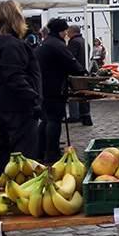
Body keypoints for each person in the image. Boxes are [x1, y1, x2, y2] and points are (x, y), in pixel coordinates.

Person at [0, 0, 41, 176]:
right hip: (17, 103)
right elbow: (15, 76)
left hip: (5, 100)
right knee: (21, 149)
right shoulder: (10, 44)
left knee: (6, 144)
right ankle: (19, 186)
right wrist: (33, 99)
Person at [35, 17, 87, 164]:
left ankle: (40, 151)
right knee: (54, 121)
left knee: (45, 120)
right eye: (64, 31)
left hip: (41, 88)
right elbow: (72, 64)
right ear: (60, 31)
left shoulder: (44, 43)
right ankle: (51, 152)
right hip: (53, 88)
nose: (66, 33)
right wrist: (83, 72)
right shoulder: (57, 45)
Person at [65, 24, 92, 127]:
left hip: (75, 71)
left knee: (74, 93)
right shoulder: (84, 41)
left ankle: (75, 115)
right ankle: (85, 116)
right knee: (83, 95)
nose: (67, 34)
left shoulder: (74, 42)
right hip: (83, 69)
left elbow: (70, 57)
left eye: (68, 32)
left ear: (72, 32)